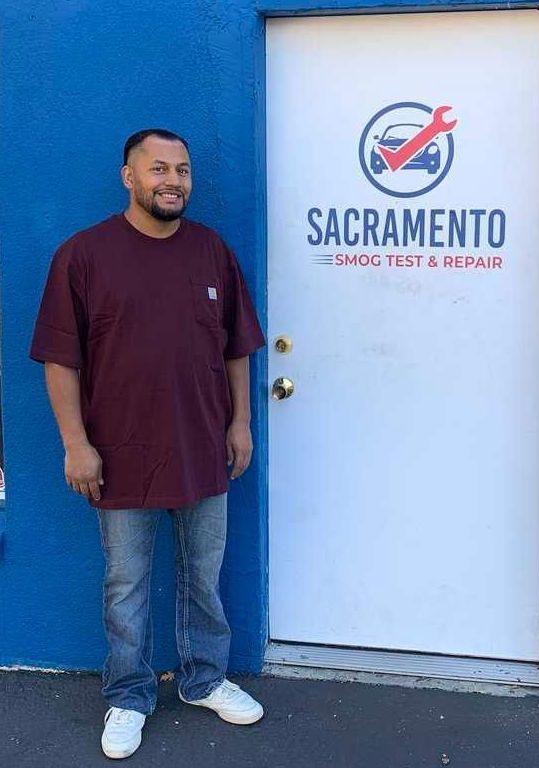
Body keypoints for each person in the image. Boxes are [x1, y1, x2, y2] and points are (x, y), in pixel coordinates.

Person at [29, 129, 266, 760]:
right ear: (128, 177)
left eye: (182, 170)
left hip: (203, 447)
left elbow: (237, 346)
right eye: (158, 168)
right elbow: (59, 361)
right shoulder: (84, 256)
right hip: (120, 451)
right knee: (125, 584)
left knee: (203, 577)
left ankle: (204, 678)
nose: (173, 180)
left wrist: (240, 422)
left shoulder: (211, 251)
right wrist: (75, 444)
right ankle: (128, 694)